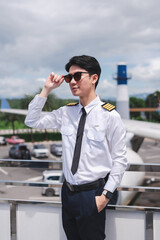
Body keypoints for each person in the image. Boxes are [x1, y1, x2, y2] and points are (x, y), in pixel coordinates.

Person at [25, 55, 128, 240]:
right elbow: (31, 121)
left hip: (93, 194)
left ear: (94, 78)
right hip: (68, 193)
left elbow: (120, 160)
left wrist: (105, 195)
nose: (72, 81)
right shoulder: (66, 112)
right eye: (68, 77)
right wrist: (46, 89)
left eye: (78, 76)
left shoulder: (110, 116)